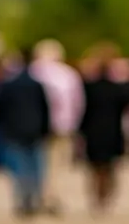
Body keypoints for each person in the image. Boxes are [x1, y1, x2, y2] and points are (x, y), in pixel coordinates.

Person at [0, 46, 52, 218]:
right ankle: (33, 197)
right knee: (35, 166)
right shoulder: (36, 84)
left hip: (15, 130)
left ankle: (22, 198)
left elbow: (1, 109)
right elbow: (45, 109)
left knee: (19, 166)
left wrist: (2, 128)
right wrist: (45, 129)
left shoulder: (10, 85)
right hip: (34, 129)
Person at [30, 39, 85, 215]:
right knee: (58, 165)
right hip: (63, 126)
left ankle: (38, 195)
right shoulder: (68, 74)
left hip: (37, 126)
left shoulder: (33, 72)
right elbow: (78, 103)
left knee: (36, 161)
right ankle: (52, 196)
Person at [77, 53, 129, 216]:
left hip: (93, 131)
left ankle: (97, 195)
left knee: (95, 168)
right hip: (113, 131)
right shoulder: (116, 89)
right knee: (109, 167)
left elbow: (83, 110)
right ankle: (106, 195)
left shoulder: (89, 88)